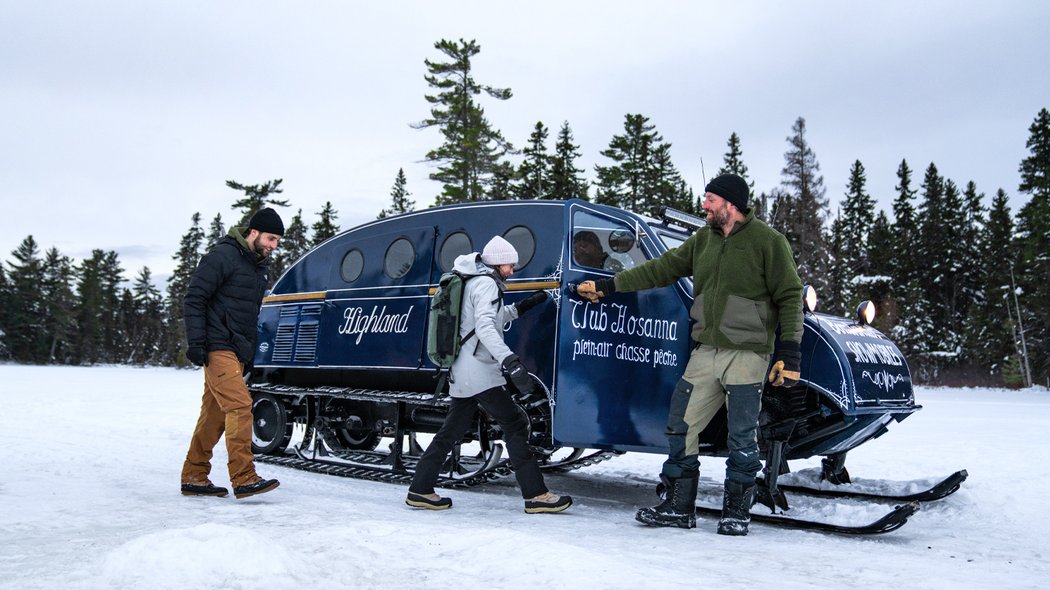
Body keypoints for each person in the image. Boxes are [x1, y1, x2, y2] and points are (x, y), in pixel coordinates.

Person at [577, 174, 803, 535]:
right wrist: (609, 285)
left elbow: (791, 296)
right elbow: (661, 268)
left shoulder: (768, 242)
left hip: (747, 353)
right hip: (706, 349)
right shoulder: (704, 240)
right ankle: (678, 506)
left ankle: (737, 512)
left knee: (742, 434)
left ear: (731, 203)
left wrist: (789, 354)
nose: (704, 206)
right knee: (681, 423)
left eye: (710, 199)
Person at [406, 236, 572, 514]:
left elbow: (488, 318)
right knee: (515, 423)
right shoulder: (486, 284)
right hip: (480, 370)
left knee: (451, 431)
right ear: (497, 263)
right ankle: (536, 495)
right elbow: (484, 328)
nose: (512, 270)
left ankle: (420, 489)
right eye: (509, 264)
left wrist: (523, 306)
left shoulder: (473, 281)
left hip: (463, 369)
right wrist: (510, 359)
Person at [180, 207, 285, 500]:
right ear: (253, 233)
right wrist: (197, 343)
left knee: (213, 416)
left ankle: (194, 476)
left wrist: (248, 352)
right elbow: (194, 298)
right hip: (216, 345)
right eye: (270, 239)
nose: (273, 246)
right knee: (240, 407)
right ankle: (244, 477)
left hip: (236, 349)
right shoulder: (222, 256)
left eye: (277, 241)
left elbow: (247, 313)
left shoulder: (257, 265)